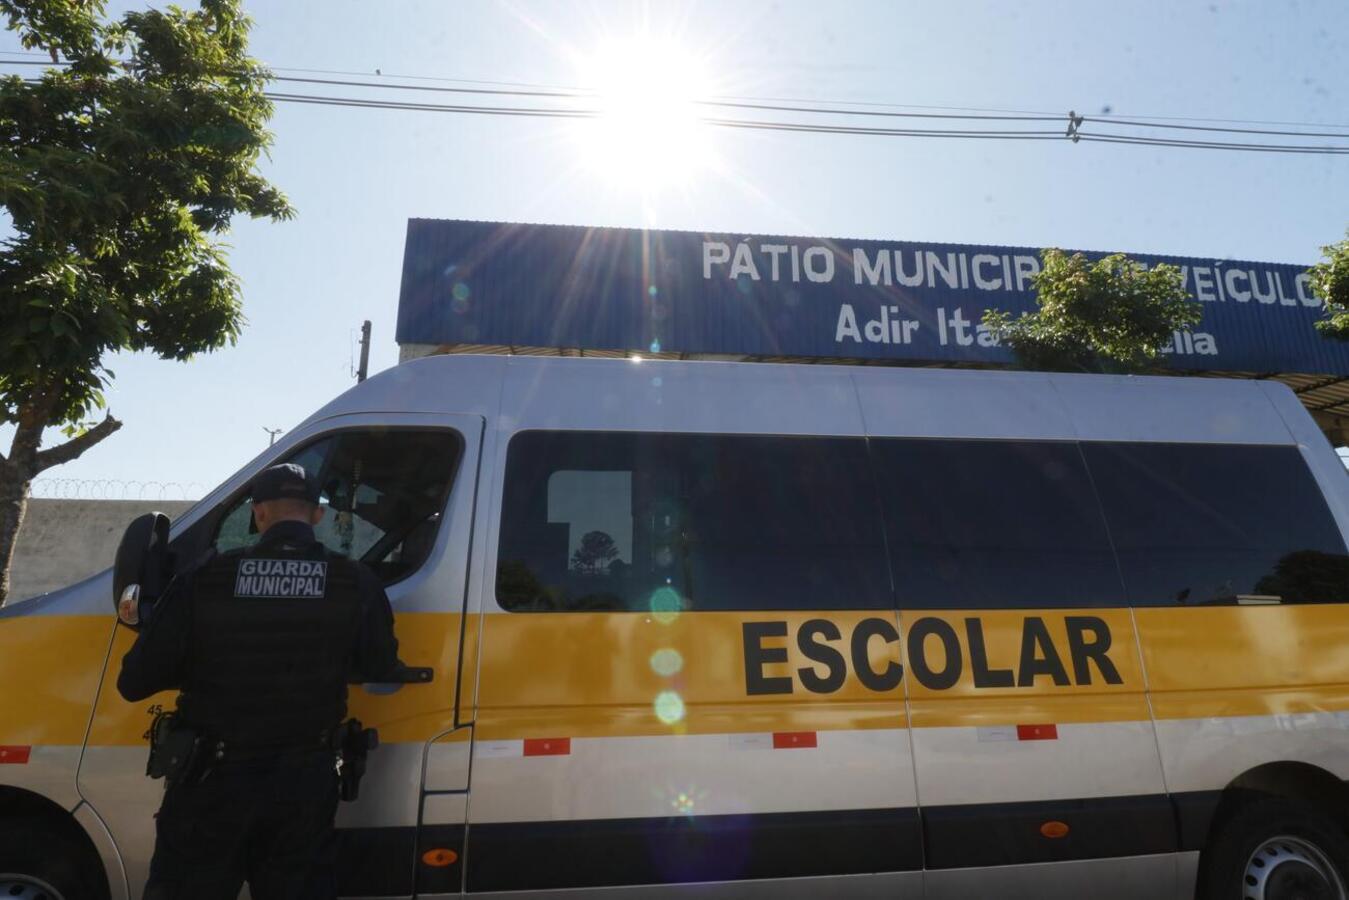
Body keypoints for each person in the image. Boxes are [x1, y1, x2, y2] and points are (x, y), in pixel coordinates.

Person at [118, 462, 407, 900]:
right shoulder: (355, 582)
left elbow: (134, 682)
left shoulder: (204, 579)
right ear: (316, 516)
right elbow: (382, 666)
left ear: (258, 514)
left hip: (209, 781)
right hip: (304, 785)